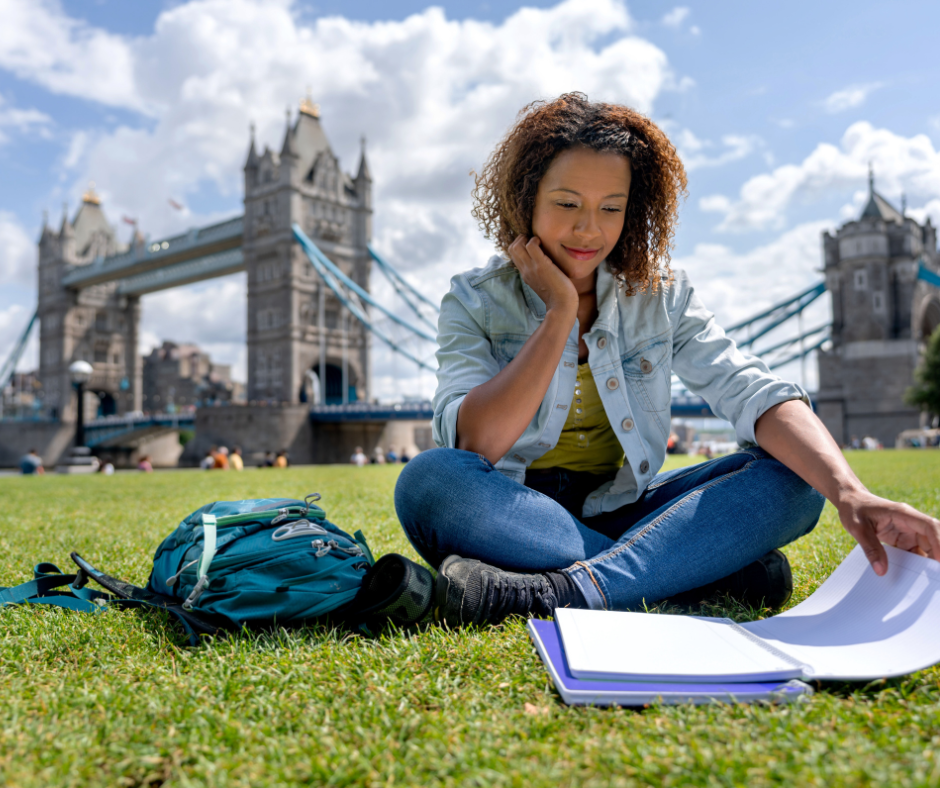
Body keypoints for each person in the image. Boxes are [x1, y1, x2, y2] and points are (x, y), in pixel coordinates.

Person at [394, 93, 940, 628]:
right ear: (525, 199)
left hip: (627, 508)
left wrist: (851, 493)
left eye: (611, 208)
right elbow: (477, 443)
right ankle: (691, 571)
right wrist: (559, 314)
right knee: (430, 481)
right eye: (567, 204)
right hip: (514, 510)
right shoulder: (474, 299)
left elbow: (750, 389)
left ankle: (567, 590)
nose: (589, 230)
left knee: (797, 480)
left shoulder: (662, 295)